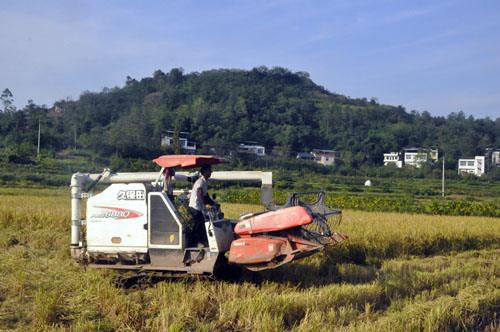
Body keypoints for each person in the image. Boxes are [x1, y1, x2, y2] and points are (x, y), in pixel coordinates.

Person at [188, 164, 215, 246]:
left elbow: (206, 196)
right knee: (198, 225)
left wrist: (214, 203)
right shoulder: (200, 181)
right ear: (204, 172)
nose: (211, 172)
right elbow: (199, 194)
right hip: (195, 207)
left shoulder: (205, 182)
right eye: (209, 170)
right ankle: (195, 243)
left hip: (199, 207)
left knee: (203, 224)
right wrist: (206, 204)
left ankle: (202, 241)